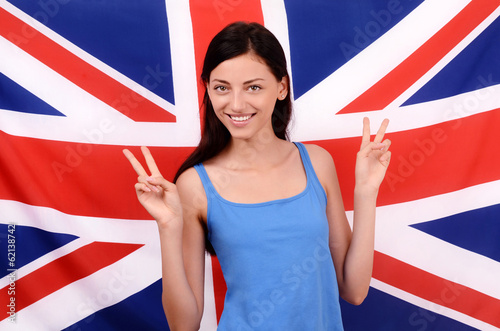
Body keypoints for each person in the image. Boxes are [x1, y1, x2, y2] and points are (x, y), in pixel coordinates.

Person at [123, 21, 391, 331]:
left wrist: (366, 193)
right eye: (221, 87)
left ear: (281, 88)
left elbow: (354, 290)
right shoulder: (195, 185)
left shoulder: (317, 163)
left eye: (253, 87)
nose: (236, 104)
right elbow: (184, 325)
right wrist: (168, 227)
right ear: (208, 90)